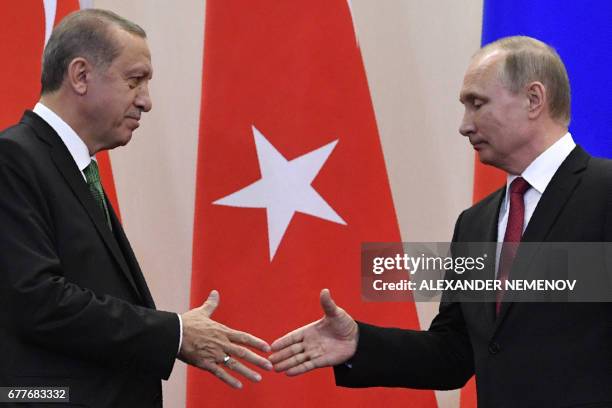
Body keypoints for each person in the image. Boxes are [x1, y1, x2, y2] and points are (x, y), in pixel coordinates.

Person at [270, 36, 612, 407]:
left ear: (533, 99)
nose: (464, 126)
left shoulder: (603, 192)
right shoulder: (475, 223)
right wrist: (359, 343)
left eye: (477, 104)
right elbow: (454, 353)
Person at [0, 9, 271, 407]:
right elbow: (38, 300)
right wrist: (174, 333)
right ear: (80, 76)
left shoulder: (74, 167)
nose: (145, 101)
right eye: (134, 81)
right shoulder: (14, 159)